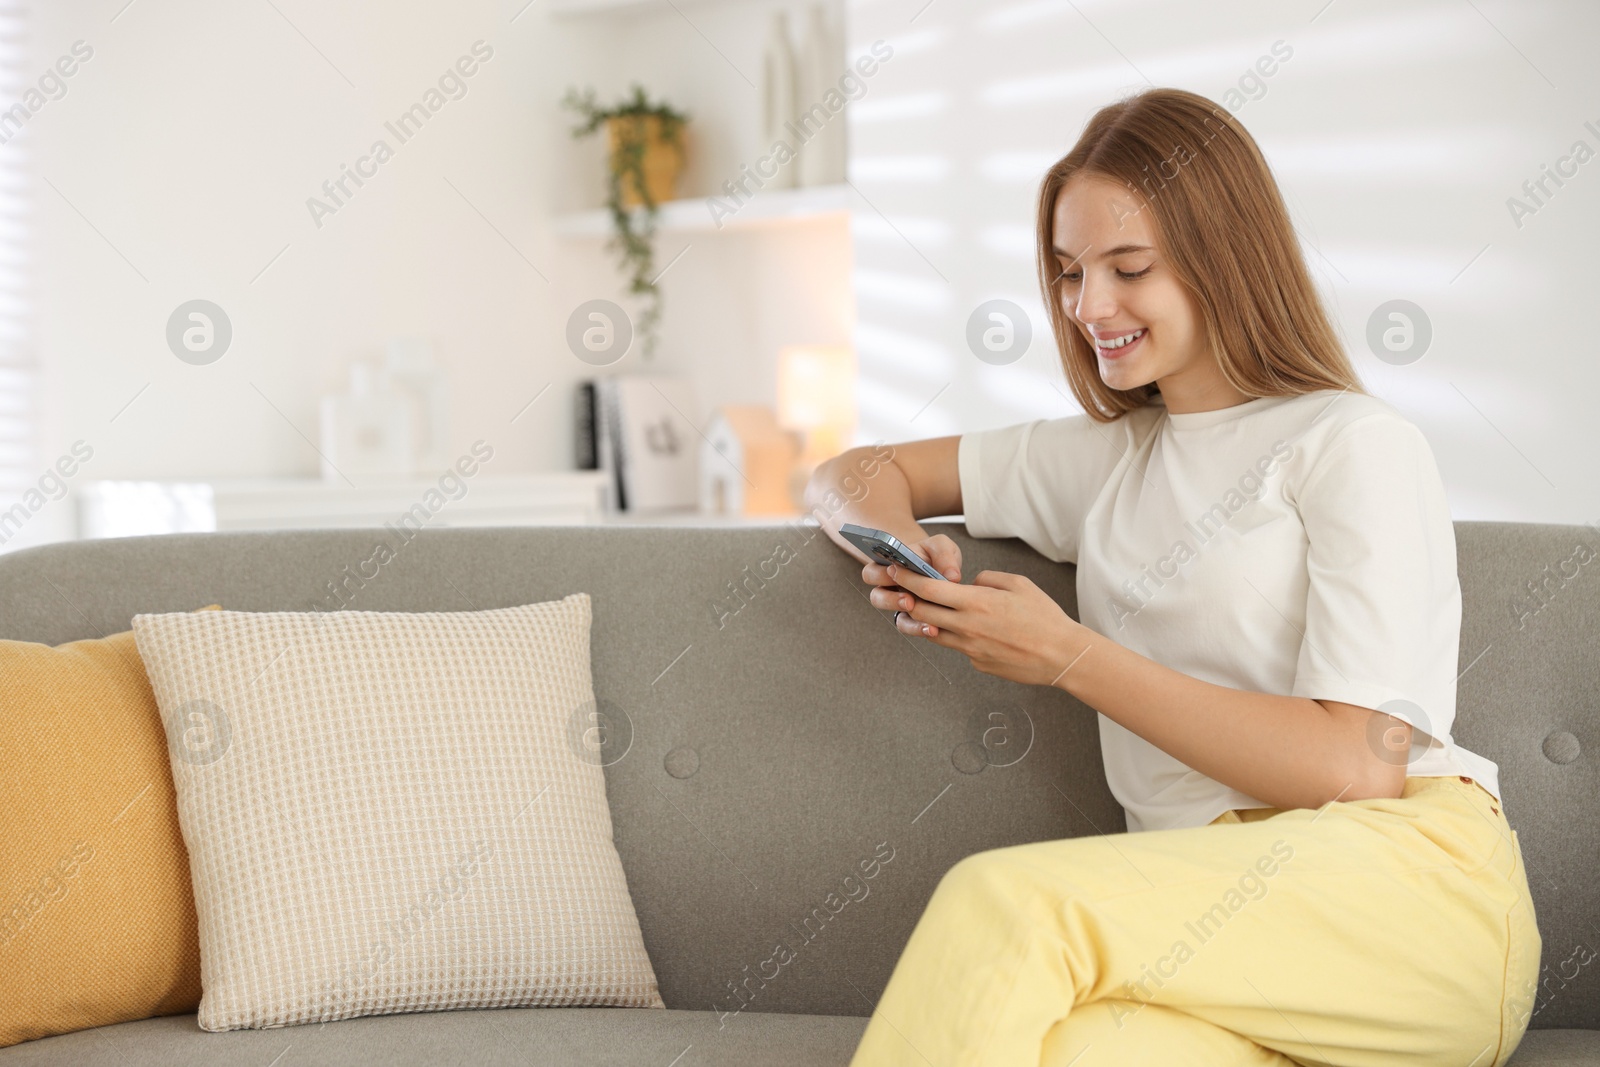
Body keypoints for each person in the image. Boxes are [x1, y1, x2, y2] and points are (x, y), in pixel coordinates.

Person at [805, 87, 1541, 1067]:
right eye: (1068, 273)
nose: (1086, 306)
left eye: (1128, 268)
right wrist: (900, 539)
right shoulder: (1105, 457)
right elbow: (850, 472)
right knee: (1059, 1047)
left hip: (1404, 901)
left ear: (1223, 255)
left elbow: (1357, 766)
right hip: (1224, 946)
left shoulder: (1352, 443)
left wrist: (1069, 656)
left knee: (1006, 903)